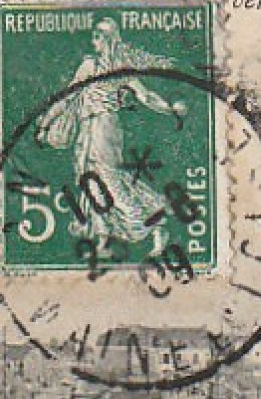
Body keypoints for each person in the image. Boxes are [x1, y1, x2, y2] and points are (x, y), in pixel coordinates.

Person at [33, 19, 188, 261]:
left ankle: (154, 225)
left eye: (98, 35)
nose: (93, 39)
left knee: (105, 179)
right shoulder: (112, 68)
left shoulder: (92, 66)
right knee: (91, 179)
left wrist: (44, 125)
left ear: (108, 39)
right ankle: (103, 238)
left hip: (100, 128)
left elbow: (68, 97)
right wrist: (170, 109)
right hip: (97, 128)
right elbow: (145, 97)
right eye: (93, 35)